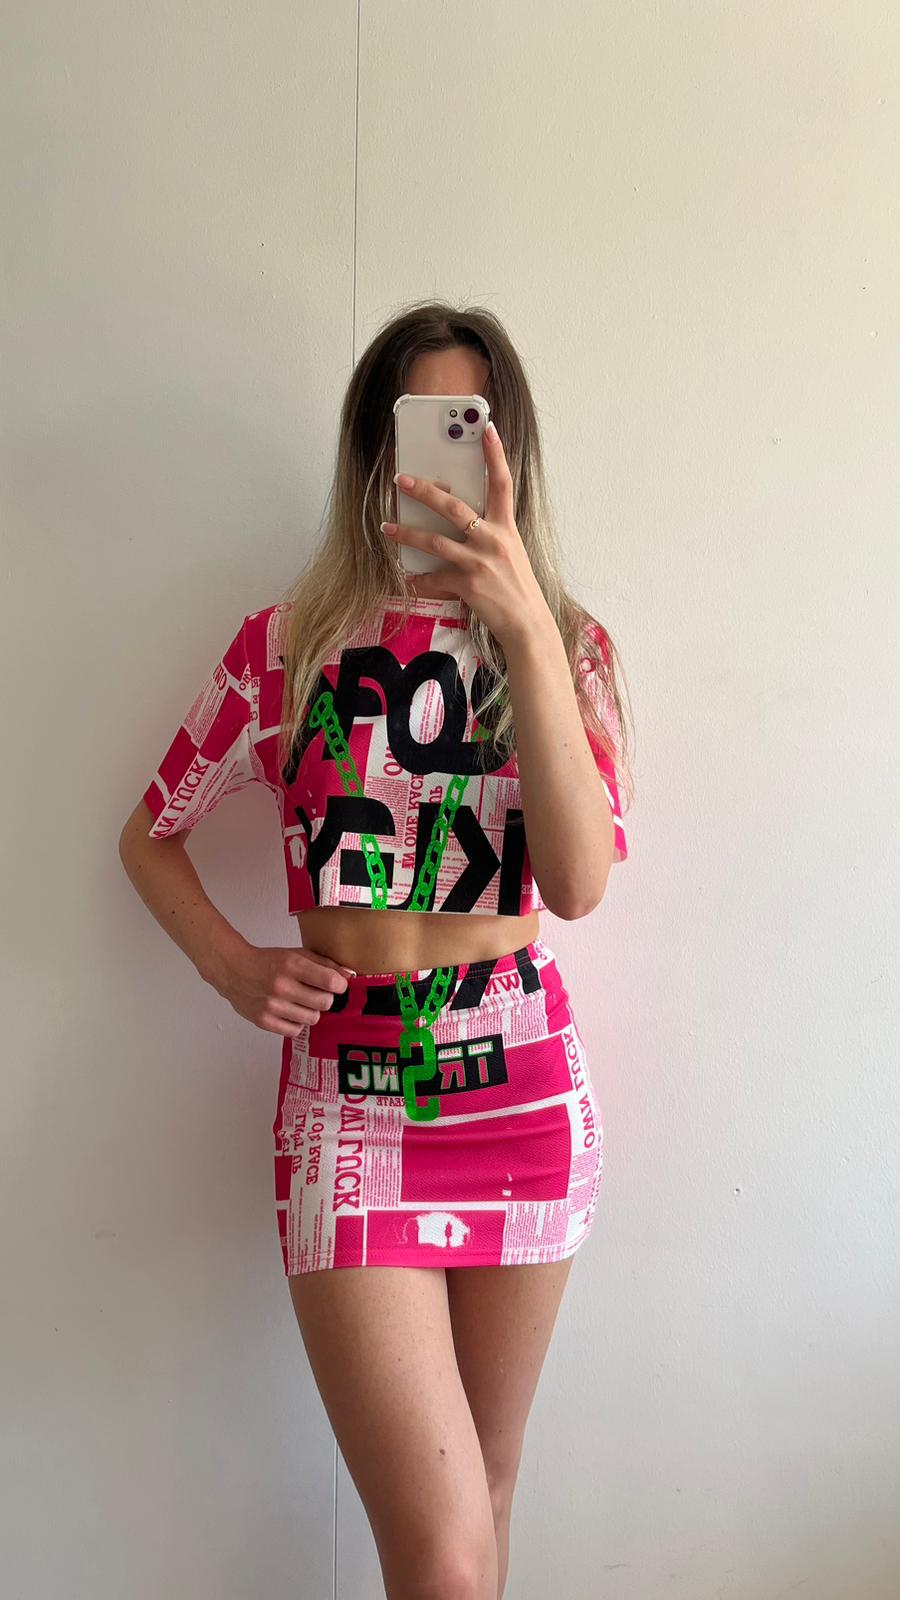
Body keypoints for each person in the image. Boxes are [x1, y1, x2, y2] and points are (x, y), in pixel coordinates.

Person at [119, 300, 631, 1600]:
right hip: (349, 1107)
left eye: (471, 429)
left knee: (491, 1494)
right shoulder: (287, 648)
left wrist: (521, 627)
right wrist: (232, 965)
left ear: (510, 451)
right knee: (447, 1556)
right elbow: (151, 835)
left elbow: (578, 885)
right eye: (420, 432)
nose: (443, 468)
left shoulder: (568, 648)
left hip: (522, 1093)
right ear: (373, 455)